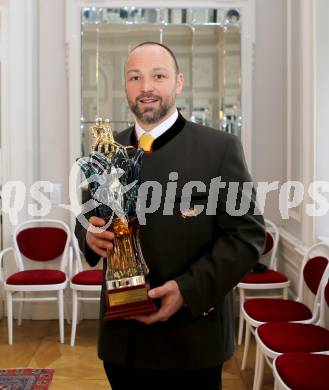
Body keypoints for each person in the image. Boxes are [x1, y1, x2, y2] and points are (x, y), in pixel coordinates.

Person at [75, 41, 266, 390]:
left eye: (157, 76)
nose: (146, 86)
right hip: (122, 343)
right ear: (125, 86)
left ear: (178, 83)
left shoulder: (220, 148)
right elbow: (88, 216)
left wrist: (187, 289)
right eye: (135, 77)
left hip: (192, 341)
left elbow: (247, 235)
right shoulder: (106, 150)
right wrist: (87, 232)